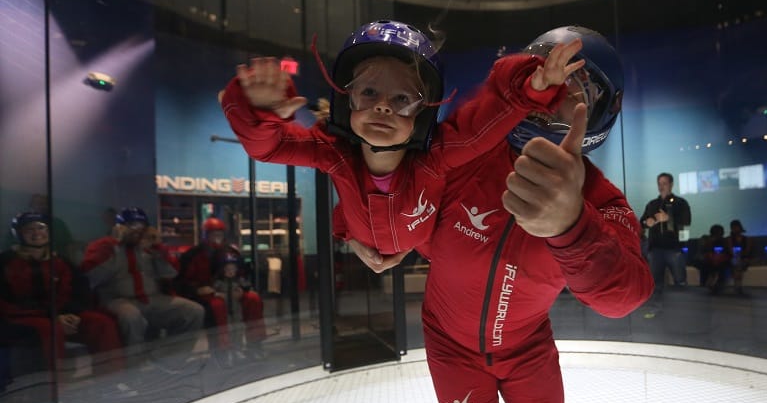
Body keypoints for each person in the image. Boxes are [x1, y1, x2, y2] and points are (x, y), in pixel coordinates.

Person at [350, 26, 651, 403]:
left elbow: (623, 296)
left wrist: (570, 225)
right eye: (554, 81)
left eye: (583, 93)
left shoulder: (598, 199)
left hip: (526, 346)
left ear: (605, 110)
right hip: (451, 346)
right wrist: (369, 234)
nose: (562, 101)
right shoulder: (462, 156)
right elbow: (397, 202)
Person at [220, 19, 585, 267]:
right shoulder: (331, 153)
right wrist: (261, 111)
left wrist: (533, 87)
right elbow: (267, 146)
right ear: (348, 101)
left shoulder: (436, 158)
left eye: (401, 100)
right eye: (369, 92)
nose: (381, 106)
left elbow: (484, 123)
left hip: (433, 249)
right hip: (385, 239)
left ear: (422, 114)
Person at [0, 212, 122, 366]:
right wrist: (54, 317)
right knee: (49, 330)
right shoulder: (6, 262)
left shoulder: (60, 261)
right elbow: (9, 302)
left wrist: (73, 314)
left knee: (101, 323)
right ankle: (55, 384)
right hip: (21, 319)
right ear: (18, 234)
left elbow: (79, 291)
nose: (37, 233)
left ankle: (111, 375)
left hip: (61, 315)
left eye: (41, 228)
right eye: (29, 230)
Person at [81, 207, 204, 352]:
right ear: (120, 227)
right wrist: (116, 246)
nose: (137, 230)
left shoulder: (148, 247)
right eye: (132, 225)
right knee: (131, 316)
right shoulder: (103, 245)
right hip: (116, 299)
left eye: (141, 226)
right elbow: (92, 277)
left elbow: (170, 274)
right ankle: (136, 364)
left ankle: (174, 358)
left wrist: (158, 248)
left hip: (151, 298)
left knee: (194, 311)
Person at [176, 218, 267, 358]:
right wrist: (196, 290)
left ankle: (255, 344)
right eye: (213, 234)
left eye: (219, 233)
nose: (216, 237)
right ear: (205, 235)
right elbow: (182, 281)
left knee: (253, 299)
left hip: (232, 288)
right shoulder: (193, 255)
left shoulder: (232, 252)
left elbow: (243, 274)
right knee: (217, 305)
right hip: (207, 293)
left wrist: (243, 288)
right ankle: (221, 350)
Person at [640, 172, 692, 305]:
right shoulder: (652, 204)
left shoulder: (680, 203)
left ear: (671, 184)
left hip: (674, 248)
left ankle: (682, 310)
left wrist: (669, 219)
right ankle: (658, 311)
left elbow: (686, 221)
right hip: (655, 248)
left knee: (680, 280)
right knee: (655, 283)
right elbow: (641, 222)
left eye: (664, 183)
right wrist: (648, 222)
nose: (661, 186)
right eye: (659, 183)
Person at [699, 224, 731, 294]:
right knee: (710, 264)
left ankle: (716, 283)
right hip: (709, 259)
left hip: (721, 260)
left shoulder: (724, 241)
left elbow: (727, 252)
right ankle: (711, 282)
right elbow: (704, 250)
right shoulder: (706, 239)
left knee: (721, 265)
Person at [726, 219, 753, 295]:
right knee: (737, 264)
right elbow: (730, 250)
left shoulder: (747, 239)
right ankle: (738, 286)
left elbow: (748, 251)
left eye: (736, 227)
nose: (735, 229)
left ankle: (737, 286)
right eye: (733, 228)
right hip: (734, 258)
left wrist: (741, 256)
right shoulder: (729, 239)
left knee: (738, 264)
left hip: (743, 258)